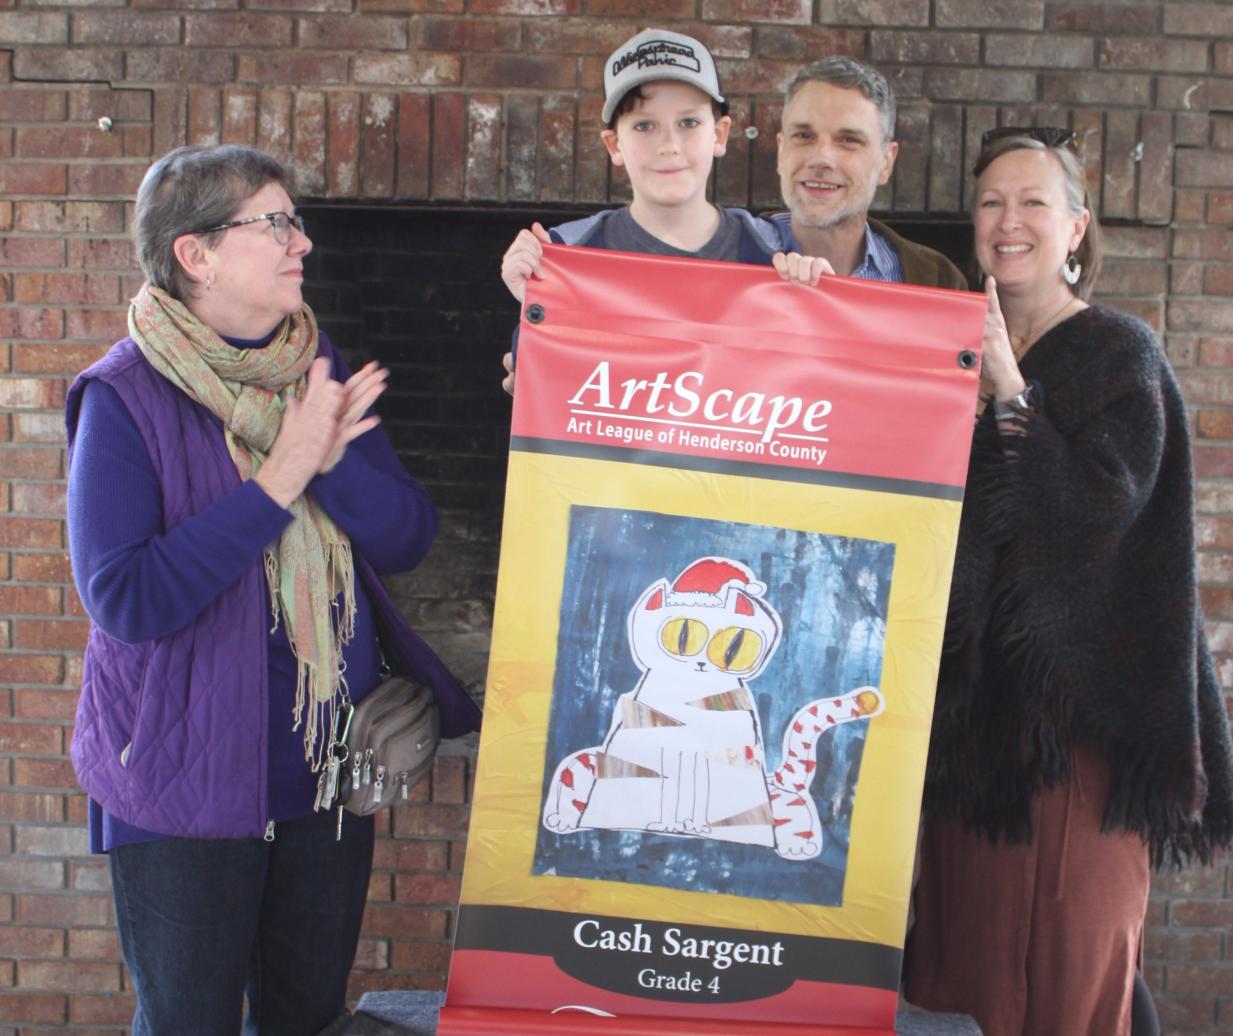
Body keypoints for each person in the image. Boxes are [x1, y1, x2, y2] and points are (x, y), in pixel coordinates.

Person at [64, 144, 481, 1036]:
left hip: (325, 775)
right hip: (183, 784)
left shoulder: (314, 368)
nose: (303, 242)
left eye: (295, 221)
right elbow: (126, 599)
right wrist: (277, 481)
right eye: (276, 223)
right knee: (191, 1024)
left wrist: (330, 469)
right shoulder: (123, 398)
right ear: (196, 253)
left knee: (305, 1020)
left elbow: (408, 537)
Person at [903, 126, 1233, 1035]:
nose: (1008, 221)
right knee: (978, 974)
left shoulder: (1119, 351)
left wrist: (1012, 391)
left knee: (1073, 963)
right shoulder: (945, 344)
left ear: (1078, 226)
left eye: (1033, 202)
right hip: (975, 721)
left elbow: (1099, 515)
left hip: (1082, 718)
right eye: (990, 203)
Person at [499, 27, 829, 392]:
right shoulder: (570, 252)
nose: (669, 145)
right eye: (644, 125)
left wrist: (824, 305)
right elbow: (543, 393)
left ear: (719, 134)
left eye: (688, 123)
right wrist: (532, 303)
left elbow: (811, 388)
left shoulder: (775, 252)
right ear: (614, 145)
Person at [771, 56, 966, 290]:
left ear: (886, 162)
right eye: (804, 136)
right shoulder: (727, 253)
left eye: (848, 140)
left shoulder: (939, 281)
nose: (821, 159)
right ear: (781, 151)